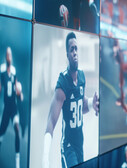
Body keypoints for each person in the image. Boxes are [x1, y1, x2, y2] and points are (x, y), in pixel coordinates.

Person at [42, 32, 99, 168]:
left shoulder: (82, 77)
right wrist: (45, 158)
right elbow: (51, 120)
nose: (75, 52)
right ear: (67, 54)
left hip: (80, 144)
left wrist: (92, 103)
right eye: (71, 49)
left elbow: (80, 105)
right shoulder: (63, 82)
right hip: (68, 147)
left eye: (76, 48)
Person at [0, 47, 23, 168]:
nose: (9, 57)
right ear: (5, 57)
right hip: (6, 108)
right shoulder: (2, 70)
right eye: (7, 55)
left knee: (17, 129)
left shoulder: (14, 71)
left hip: (14, 107)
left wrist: (20, 93)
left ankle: (17, 164)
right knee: (0, 136)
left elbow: (16, 86)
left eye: (10, 55)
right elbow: (0, 87)